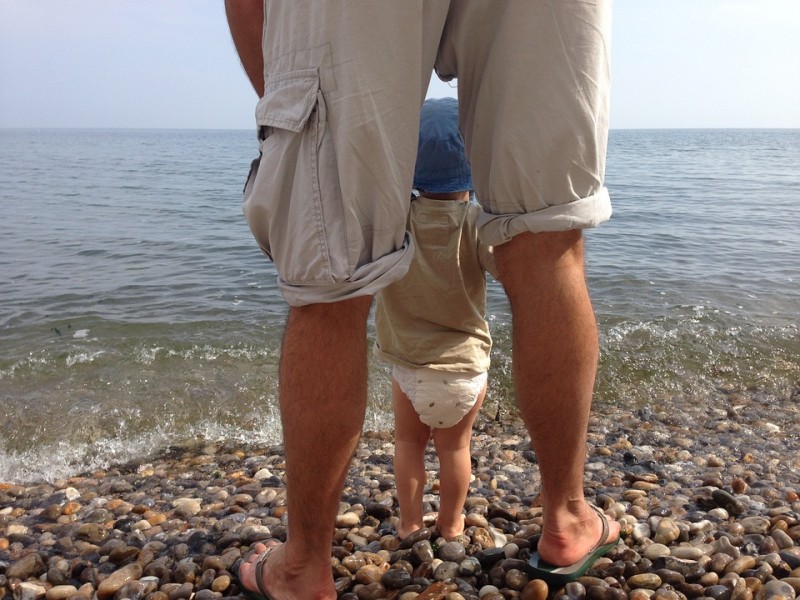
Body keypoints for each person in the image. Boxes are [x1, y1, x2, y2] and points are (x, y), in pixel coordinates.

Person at [225, 2, 621, 598]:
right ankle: (558, 520)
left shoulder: (405, 222)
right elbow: (497, 258)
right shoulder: (466, 226)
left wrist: (301, 117)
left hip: (410, 369)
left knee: (331, 278)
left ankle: (312, 560)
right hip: (465, 370)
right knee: (547, 244)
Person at [374, 97, 497, 542]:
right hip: (463, 367)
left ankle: (409, 524)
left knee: (408, 445)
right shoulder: (478, 224)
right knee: (456, 448)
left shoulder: (395, 220)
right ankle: (451, 524)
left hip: (408, 363)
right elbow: (508, 270)